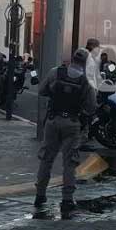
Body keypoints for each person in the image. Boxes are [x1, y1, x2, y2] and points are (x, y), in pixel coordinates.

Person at [35, 48, 96, 219]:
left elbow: (41, 91)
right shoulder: (86, 81)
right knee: (70, 162)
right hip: (72, 123)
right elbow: (91, 107)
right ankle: (67, 199)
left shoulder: (56, 72)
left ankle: (40, 196)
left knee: (46, 158)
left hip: (52, 122)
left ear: (72, 59)